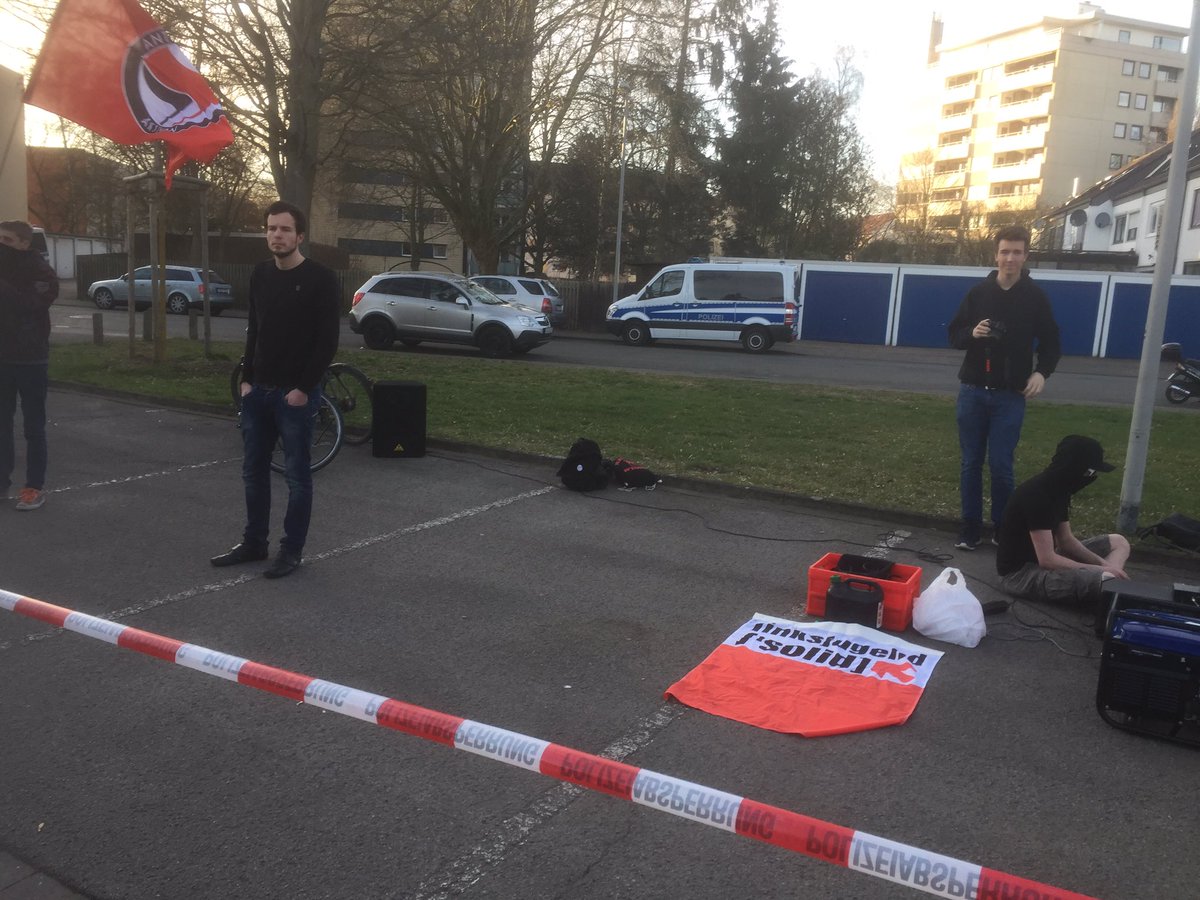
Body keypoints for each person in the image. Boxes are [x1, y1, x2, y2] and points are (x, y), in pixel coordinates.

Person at [211, 201, 340, 578]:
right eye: (271, 229)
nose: (276, 236)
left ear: (299, 236)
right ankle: (254, 543)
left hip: (294, 395)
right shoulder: (260, 275)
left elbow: (327, 340)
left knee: (297, 476)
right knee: (253, 472)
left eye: (284, 230)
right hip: (259, 391)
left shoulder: (320, 278)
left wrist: (303, 388)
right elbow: (255, 328)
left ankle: (291, 550)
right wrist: (247, 379)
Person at [948, 225, 1061, 551]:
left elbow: (1052, 342)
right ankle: (969, 528)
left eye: (1017, 252)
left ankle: (1002, 528)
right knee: (970, 463)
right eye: (1005, 251)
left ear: (1025, 256)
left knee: (1001, 465)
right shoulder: (978, 293)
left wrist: (1042, 373)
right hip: (971, 390)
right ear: (996, 254)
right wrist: (974, 332)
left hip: (1010, 395)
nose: (1010, 258)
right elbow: (954, 335)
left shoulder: (1034, 297)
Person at [995, 434, 1130, 607]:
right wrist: (1102, 571)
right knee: (1106, 578)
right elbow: (1047, 560)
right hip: (1021, 575)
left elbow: (1066, 541)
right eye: (1090, 472)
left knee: (1119, 542)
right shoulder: (1037, 495)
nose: (1092, 477)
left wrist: (1105, 565)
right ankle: (1108, 587)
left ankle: (1110, 586)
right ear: (1074, 467)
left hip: (1047, 559)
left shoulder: (1060, 490)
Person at [0, 220, 59, 511]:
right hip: (3, 358)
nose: (2, 245)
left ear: (24, 243)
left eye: (7, 240)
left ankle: (33, 488)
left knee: (33, 427)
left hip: (31, 360)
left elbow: (31, 305)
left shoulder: (42, 272)